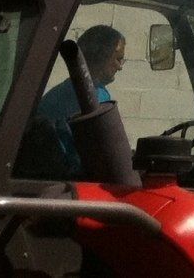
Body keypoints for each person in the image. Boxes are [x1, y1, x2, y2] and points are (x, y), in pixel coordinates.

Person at [32, 23, 125, 177]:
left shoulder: (61, 91)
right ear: (101, 56)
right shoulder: (95, 97)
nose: (120, 67)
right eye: (118, 59)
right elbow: (105, 154)